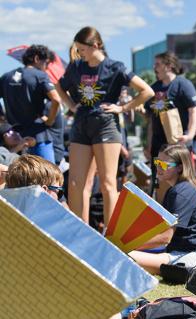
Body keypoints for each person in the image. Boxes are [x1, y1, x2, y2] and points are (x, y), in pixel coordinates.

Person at [56, 26, 154, 225]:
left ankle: (111, 236)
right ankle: (80, 230)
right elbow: (59, 85)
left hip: (106, 126)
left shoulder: (115, 66)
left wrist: (123, 107)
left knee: (108, 183)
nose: (79, 54)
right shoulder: (75, 67)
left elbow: (147, 91)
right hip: (81, 125)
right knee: (76, 183)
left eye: (82, 49)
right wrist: (70, 105)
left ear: (96, 45)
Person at [129, 144, 196, 274]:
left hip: (188, 256)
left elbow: (165, 237)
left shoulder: (181, 192)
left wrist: (130, 245)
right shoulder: (176, 189)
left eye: (164, 164)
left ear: (180, 167)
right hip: (183, 253)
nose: (158, 167)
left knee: (123, 256)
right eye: (157, 162)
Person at [145, 52, 196, 202]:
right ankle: (163, 219)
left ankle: (180, 214)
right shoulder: (154, 88)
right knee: (159, 180)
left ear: (169, 66)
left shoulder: (183, 84)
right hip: (158, 145)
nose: (154, 68)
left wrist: (189, 135)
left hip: (178, 145)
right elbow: (151, 119)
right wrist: (149, 144)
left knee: (181, 181)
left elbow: (194, 110)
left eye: (158, 64)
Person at [0, 44, 61, 163]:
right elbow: (56, 99)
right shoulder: (40, 76)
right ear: (37, 59)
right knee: (49, 176)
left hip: (14, 138)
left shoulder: (6, 76)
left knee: (18, 179)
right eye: (46, 64)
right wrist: (50, 121)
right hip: (38, 136)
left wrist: (2, 117)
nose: (46, 68)